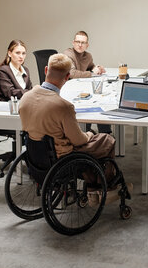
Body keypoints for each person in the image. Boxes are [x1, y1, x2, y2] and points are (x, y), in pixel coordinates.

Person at [19, 53, 116, 182]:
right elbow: (78, 141)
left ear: (46, 70)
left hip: (35, 154)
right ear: (67, 77)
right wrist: (88, 134)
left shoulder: (25, 98)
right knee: (107, 140)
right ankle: (102, 186)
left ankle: (93, 182)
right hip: (61, 158)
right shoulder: (63, 107)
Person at [63, 31, 111, 133]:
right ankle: (85, 131)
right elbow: (71, 73)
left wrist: (97, 68)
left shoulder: (88, 56)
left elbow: (91, 66)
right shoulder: (68, 54)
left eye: (83, 43)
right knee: (93, 101)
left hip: (83, 88)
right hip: (69, 91)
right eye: (77, 42)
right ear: (73, 43)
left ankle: (106, 134)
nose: (80, 45)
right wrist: (92, 73)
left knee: (101, 100)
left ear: (87, 45)